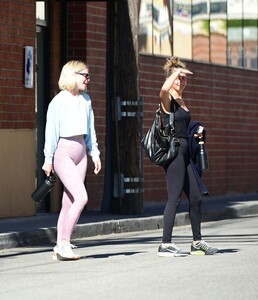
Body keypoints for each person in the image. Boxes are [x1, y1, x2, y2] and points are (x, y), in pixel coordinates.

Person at [158, 56, 219, 257]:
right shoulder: (168, 100)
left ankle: (197, 242)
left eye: (184, 77)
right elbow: (163, 90)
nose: (181, 81)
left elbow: (183, 126)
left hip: (186, 155)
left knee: (196, 197)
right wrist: (175, 72)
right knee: (174, 199)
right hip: (175, 153)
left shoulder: (182, 101)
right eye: (178, 77)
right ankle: (165, 244)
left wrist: (195, 132)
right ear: (171, 77)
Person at [42, 60, 101, 261]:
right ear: (72, 75)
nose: (88, 79)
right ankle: (65, 243)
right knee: (81, 198)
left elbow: (90, 130)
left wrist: (95, 154)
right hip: (63, 153)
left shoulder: (86, 100)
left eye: (88, 76)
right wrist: (47, 159)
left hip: (81, 153)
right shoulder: (58, 101)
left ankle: (60, 244)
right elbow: (51, 132)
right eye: (85, 75)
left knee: (68, 202)